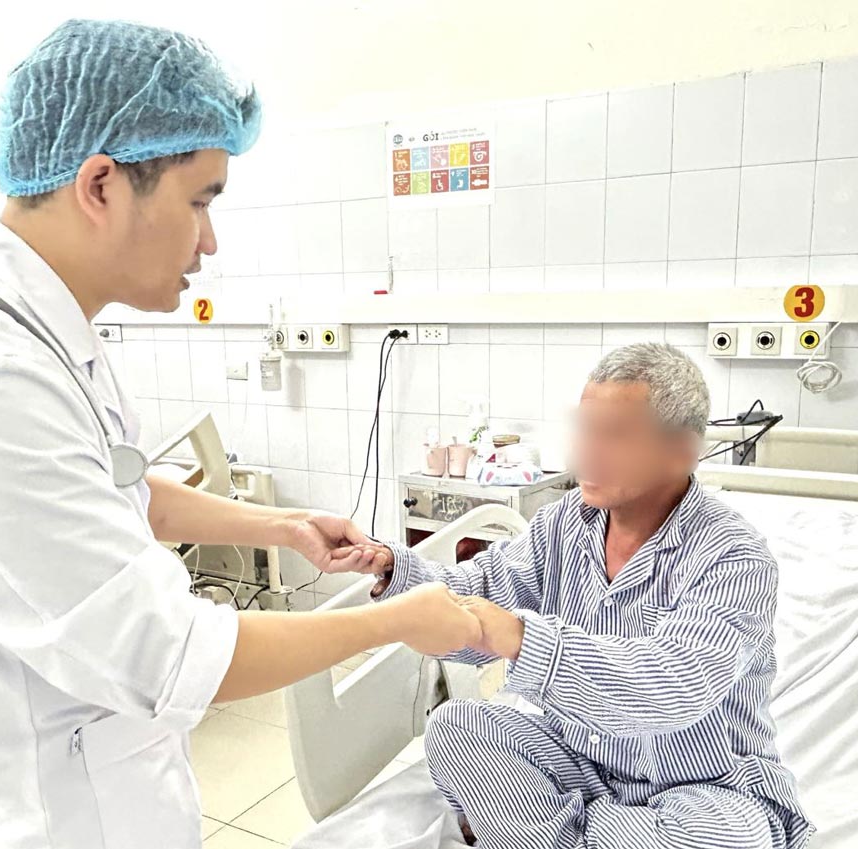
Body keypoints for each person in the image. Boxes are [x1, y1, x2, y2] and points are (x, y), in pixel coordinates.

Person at [0, 19, 478, 849]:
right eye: (199, 201)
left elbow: (110, 487)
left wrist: (278, 526)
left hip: (116, 788)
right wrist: (392, 624)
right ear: (100, 186)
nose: (210, 239)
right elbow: (170, 653)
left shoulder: (47, 328)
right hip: (48, 817)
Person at [328, 344, 814, 849]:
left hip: (703, 784)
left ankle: (548, 830)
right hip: (579, 758)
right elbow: (481, 590)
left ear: (683, 451)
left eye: (615, 435)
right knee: (456, 725)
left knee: (730, 837)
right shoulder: (565, 523)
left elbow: (670, 687)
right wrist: (391, 567)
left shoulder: (734, 557)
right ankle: (583, 831)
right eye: (585, 428)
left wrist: (518, 636)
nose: (586, 453)